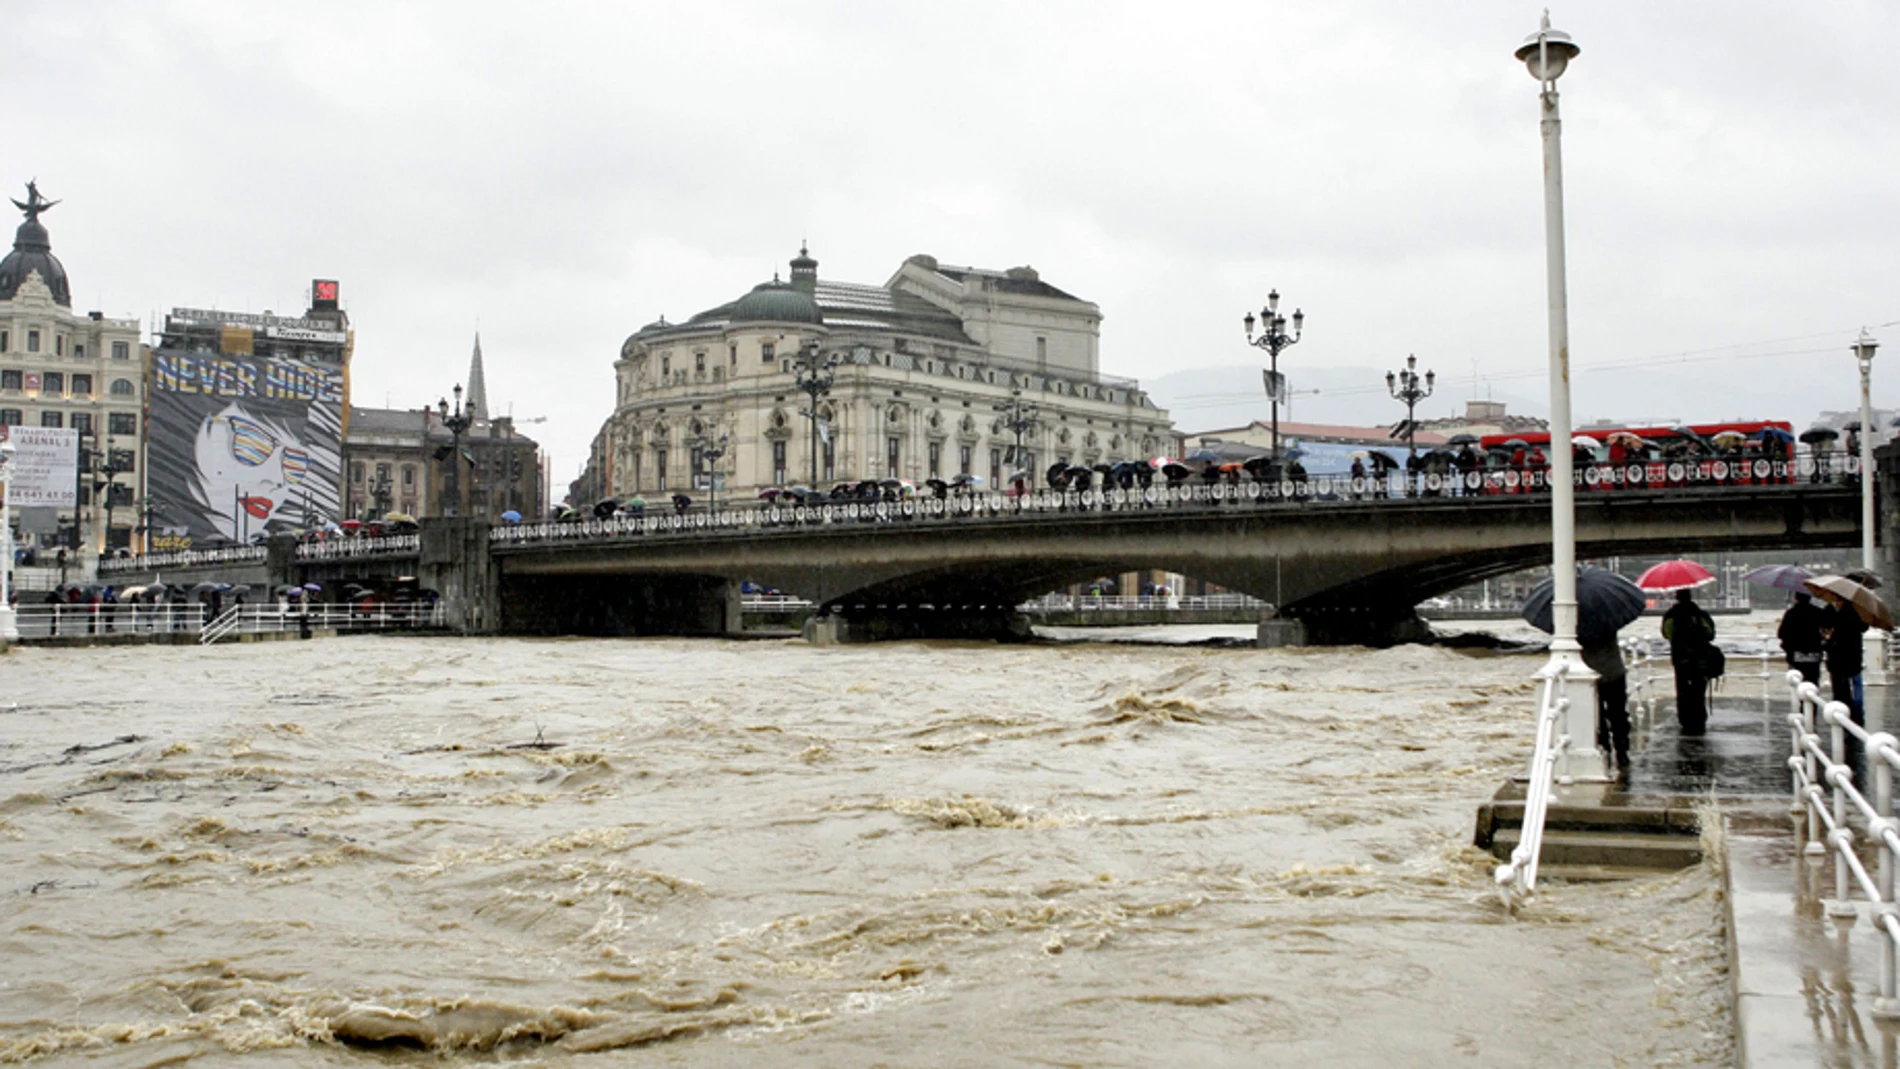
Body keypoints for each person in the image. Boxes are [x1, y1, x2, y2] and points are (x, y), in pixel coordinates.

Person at [1661, 589, 1717, 735]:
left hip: (1680, 658)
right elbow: (1711, 634)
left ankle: (1685, 718)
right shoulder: (1700, 614)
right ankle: (1699, 717)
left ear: (1677, 597)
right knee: (1699, 688)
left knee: (1682, 688)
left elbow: (1666, 633)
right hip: (1700, 656)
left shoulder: (1671, 615)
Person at [1580, 631, 1630, 772]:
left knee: (1598, 716)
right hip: (1614, 672)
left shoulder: (1580, 629)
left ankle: (1605, 749)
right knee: (1619, 713)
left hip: (1592, 676)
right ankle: (1622, 751)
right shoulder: (1609, 622)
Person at [1822, 598, 1869, 725]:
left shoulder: (1839, 616)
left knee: (1842, 688)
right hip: (1855, 657)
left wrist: (1827, 642)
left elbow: (1835, 638)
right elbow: (1864, 627)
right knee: (1856, 685)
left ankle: (1845, 713)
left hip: (1840, 659)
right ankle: (1858, 712)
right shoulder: (1858, 613)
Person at [1777, 591, 1828, 685]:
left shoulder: (1791, 613)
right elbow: (1827, 627)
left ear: (1796, 598)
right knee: (1813, 680)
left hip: (1796, 653)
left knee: (1797, 680)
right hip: (1814, 652)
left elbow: (1781, 633)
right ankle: (1812, 698)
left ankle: (1799, 699)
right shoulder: (1817, 612)